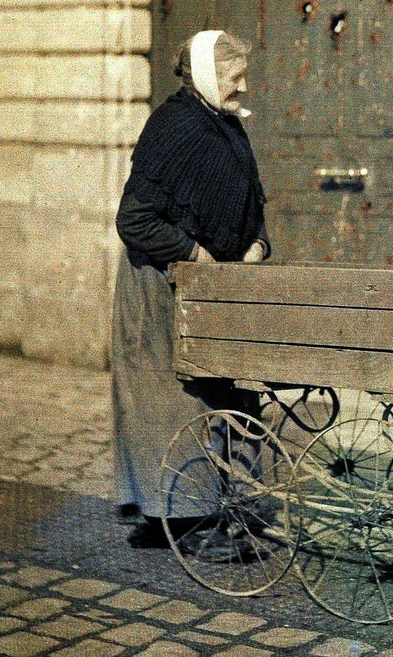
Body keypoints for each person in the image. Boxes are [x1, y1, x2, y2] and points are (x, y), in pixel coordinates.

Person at [111, 29, 270, 549]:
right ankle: (178, 515)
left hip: (209, 286)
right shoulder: (173, 127)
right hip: (159, 286)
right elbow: (134, 220)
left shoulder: (225, 127)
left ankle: (208, 506)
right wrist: (194, 253)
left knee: (216, 396)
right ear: (204, 77)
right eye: (234, 77)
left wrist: (257, 246)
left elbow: (249, 202)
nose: (244, 87)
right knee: (172, 403)